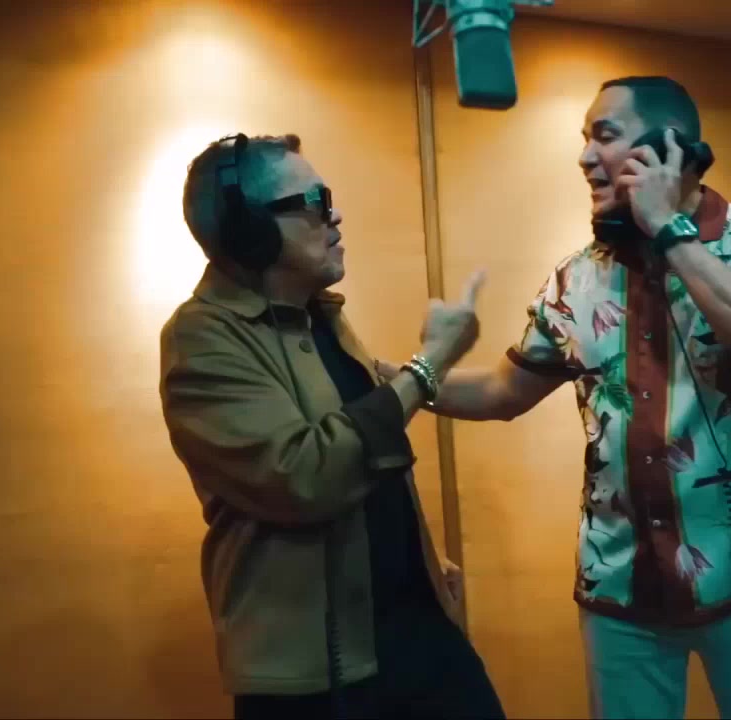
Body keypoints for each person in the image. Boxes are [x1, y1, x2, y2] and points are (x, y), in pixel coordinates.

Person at [382, 77, 731, 718]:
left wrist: (669, 230)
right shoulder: (578, 276)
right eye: (584, 139)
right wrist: (395, 379)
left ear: (670, 149)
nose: (585, 157)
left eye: (605, 135)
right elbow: (505, 391)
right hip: (621, 588)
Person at [159, 132, 505, 720]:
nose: (336, 215)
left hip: (418, 635)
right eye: (317, 201)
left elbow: (374, 458)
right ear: (252, 229)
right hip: (317, 678)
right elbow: (304, 475)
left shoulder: (320, 317)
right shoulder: (202, 338)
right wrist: (430, 364)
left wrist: (420, 561)